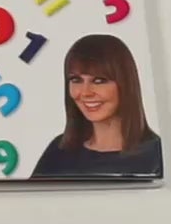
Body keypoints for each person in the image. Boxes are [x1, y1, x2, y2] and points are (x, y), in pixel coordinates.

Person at [29, 33, 162, 179]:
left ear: (125, 84)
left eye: (99, 81)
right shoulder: (59, 151)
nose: (85, 92)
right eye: (76, 80)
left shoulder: (158, 156)